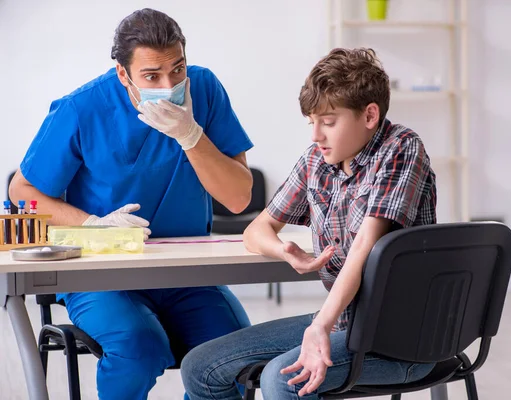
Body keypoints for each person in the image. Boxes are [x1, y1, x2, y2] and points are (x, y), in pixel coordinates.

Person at [9, 8, 252, 400]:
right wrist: (92, 224)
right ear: (123, 74)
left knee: (235, 355)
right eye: (152, 76)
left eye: (177, 69)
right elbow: (23, 190)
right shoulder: (82, 108)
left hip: (187, 275)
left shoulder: (204, 90)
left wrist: (192, 136)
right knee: (140, 348)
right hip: (103, 275)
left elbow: (239, 197)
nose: (169, 84)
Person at [180, 47, 438, 400]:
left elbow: (365, 246)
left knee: (283, 379)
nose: (316, 135)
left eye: (329, 122)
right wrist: (285, 250)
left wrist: (320, 326)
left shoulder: (401, 148)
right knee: (201, 365)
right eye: (311, 122)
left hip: (401, 338)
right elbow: (256, 231)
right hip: (344, 323)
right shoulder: (316, 161)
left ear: (370, 115)